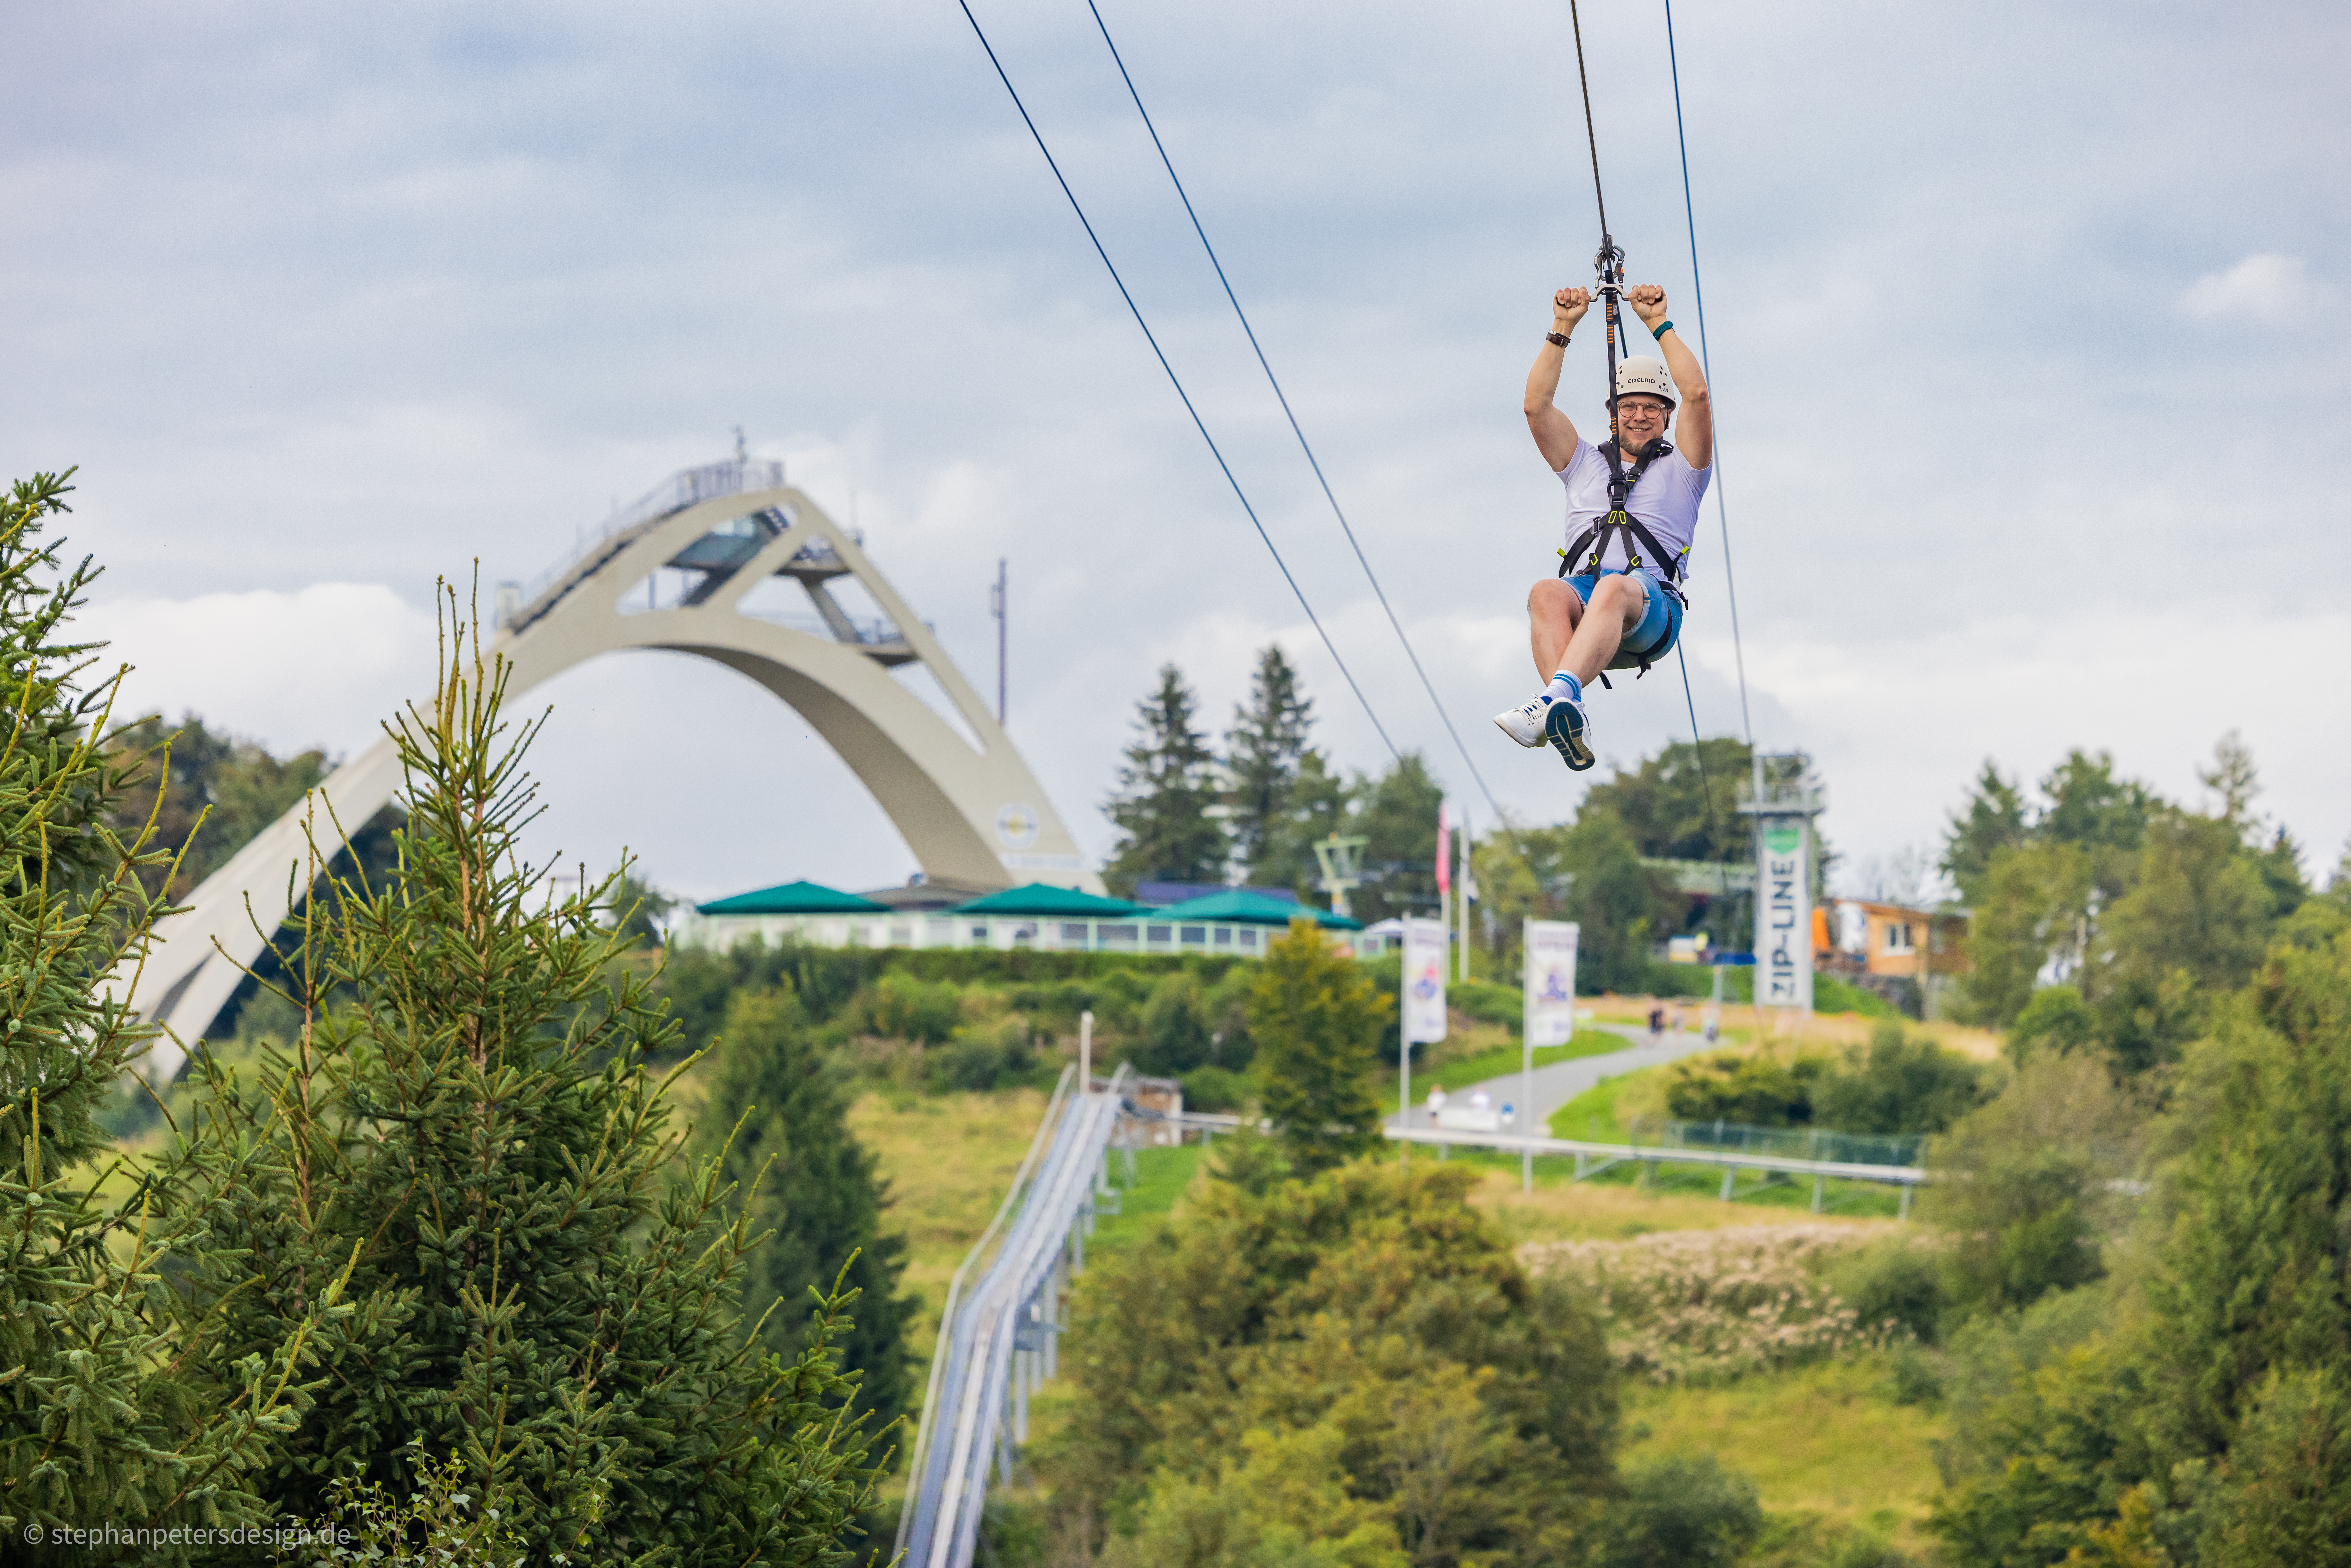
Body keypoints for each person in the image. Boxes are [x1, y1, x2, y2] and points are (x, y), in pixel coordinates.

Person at [1494, 282, 1713, 771]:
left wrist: (1658, 325)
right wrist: (1563, 328)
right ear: (1613, 416)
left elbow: (1697, 394)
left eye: (1651, 408)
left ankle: (1554, 699)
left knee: (1615, 586)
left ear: (1666, 416)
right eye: (1628, 407)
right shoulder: (1584, 465)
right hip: (1586, 609)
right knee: (1546, 592)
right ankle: (1565, 708)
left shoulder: (1685, 470)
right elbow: (1536, 408)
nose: (1639, 416)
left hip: (1650, 608)